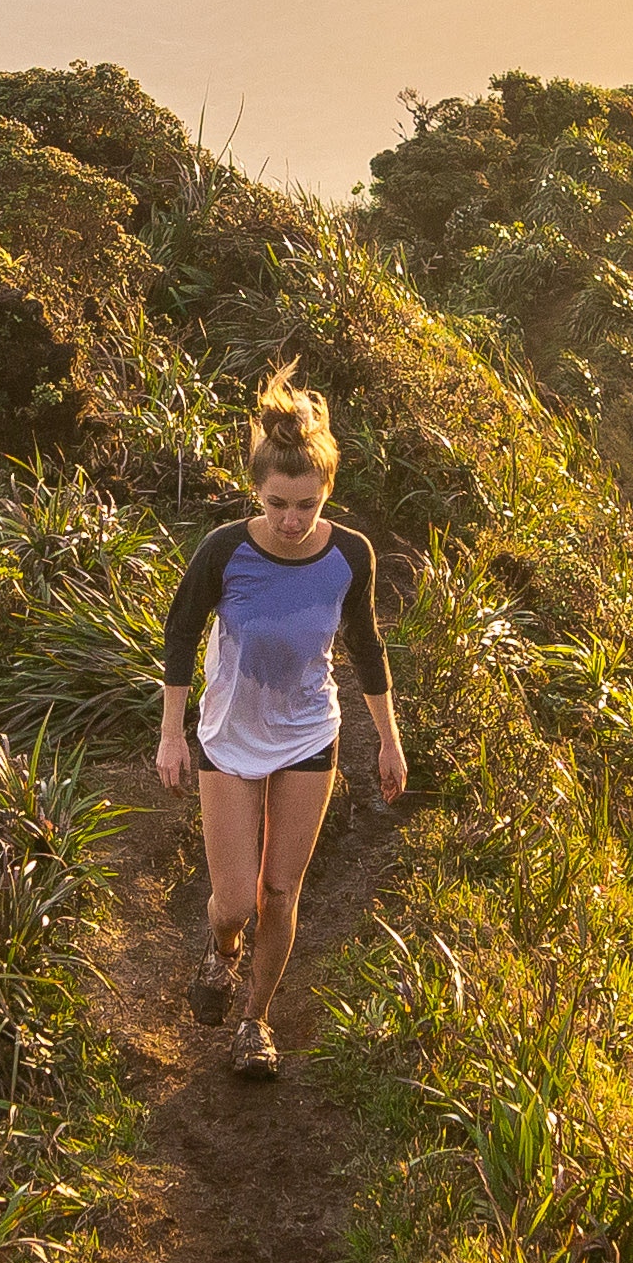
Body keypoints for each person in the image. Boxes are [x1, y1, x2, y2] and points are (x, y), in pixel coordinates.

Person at [153, 367, 405, 1077]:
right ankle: (221, 950)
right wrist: (172, 733)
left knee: (280, 891)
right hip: (229, 735)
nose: (292, 520)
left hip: (307, 734)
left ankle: (254, 1022)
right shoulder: (223, 549)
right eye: (277, 504)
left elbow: (366, 646)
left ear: (325, 492)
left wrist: (388, 741)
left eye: (306, 504)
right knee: (233, 902)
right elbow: (178, 635)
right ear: (254, 492)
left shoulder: (350, 553)